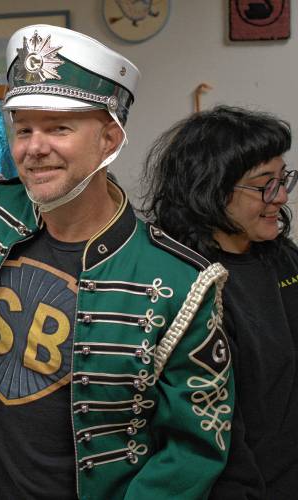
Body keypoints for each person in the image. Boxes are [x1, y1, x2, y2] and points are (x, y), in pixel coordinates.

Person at [0, 24, 234, 499]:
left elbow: (195, 448)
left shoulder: (179, 281)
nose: (34, 147)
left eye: (59, 127)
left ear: (110, 139)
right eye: (24, 128)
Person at [141, 105, 297, 499]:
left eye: (283, 180)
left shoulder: (282, 258)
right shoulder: (186, 282)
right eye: (264, 184)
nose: (279, 197)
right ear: (210, 188)